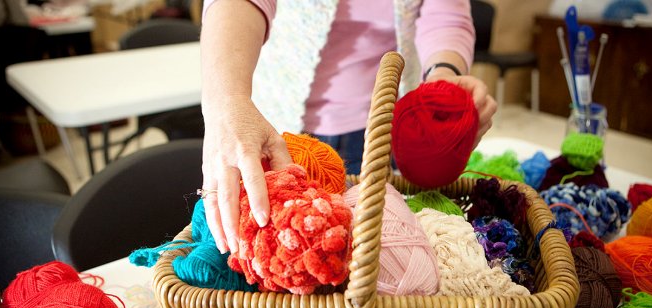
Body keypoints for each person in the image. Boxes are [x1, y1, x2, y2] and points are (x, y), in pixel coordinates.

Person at [200, 0, 497, 254]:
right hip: (277, 131)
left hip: (387, 127)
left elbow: (444, 12)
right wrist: (229, 100)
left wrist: (443, 81)